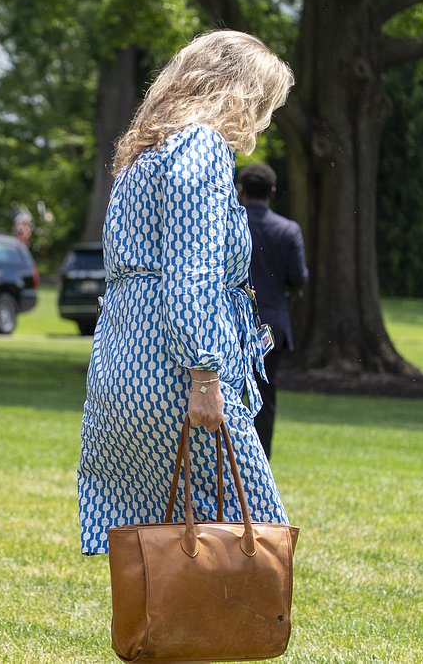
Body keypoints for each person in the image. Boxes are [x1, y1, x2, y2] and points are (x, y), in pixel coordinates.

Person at [77, 30, 294, 556]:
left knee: (161, 538)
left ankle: (165, 636)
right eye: (264, 103)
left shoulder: (146, 151)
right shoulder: (200, 147)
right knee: (254, 533)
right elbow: (190, 273)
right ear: (239, 92)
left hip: (126, 359)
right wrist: (205, 372)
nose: (263, 121)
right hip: (174, 368)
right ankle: (222, 639)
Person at [239, 163, 308, 458]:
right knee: (264, 400)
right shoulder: (288, 230)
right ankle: (260, 462)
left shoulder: (231, 226)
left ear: (240, 190)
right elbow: (298, 278)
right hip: (272, 328)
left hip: (233, 325)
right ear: (272, 192)